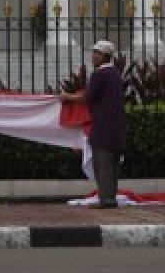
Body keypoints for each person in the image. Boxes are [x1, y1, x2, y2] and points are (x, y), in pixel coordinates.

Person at [61, 39, 126, 208]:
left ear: (105, 56)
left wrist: (68, 97)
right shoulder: (116, 74)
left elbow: (87, 97)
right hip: (117, 127)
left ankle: (106, 199)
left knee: (102, 163)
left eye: (96, 54)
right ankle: (111, 196)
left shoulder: (100, 74)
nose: (93, 57)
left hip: (102, 126)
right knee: (113, 166)